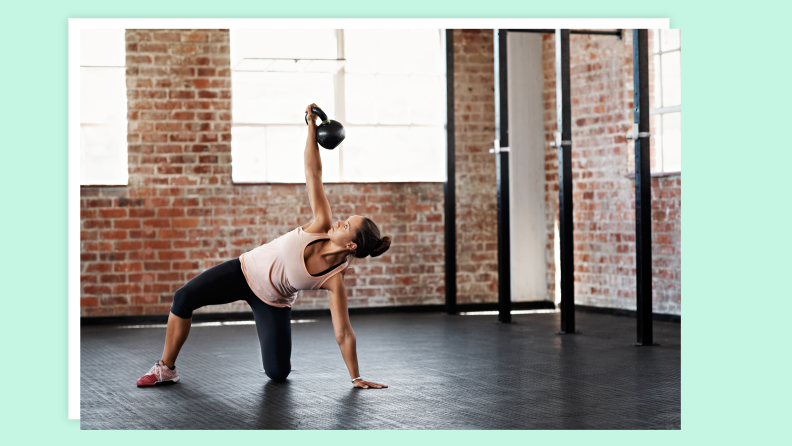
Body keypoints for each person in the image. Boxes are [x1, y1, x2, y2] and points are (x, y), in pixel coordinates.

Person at [136, 104, 390, 390]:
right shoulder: (321, 222)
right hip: (243, 271)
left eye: (346, 225)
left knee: (277, 373)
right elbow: (313, 172)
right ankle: (166, 368)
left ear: (352, 244)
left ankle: (277, 359)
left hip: (273, 302)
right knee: (183, 297)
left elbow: (343, 332)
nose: (340, 220)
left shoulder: (334, 280)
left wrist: (356, 377)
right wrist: (310, 127)